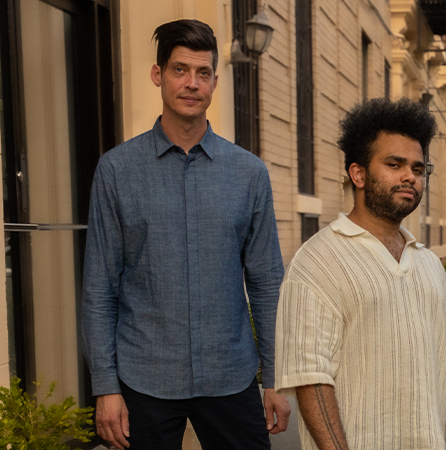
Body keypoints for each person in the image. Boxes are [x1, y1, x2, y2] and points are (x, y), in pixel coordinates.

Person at [81, 19, 290, 450]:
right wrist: (105, 386)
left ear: (214, 82)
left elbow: (267, 282)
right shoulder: (117, 171)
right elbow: (100, 288)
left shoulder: (249, 173)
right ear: (157, 75)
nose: (192, 83)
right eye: (180, 70)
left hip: (230, 374)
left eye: (203, 72)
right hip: (144, 377)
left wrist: (275, 377)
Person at [273, 98, 446, 450]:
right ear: (358, 174)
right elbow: (312, 381)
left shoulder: (430, 266)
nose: (409, 176)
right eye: (394, 164)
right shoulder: (318, 261)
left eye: (418, 169)